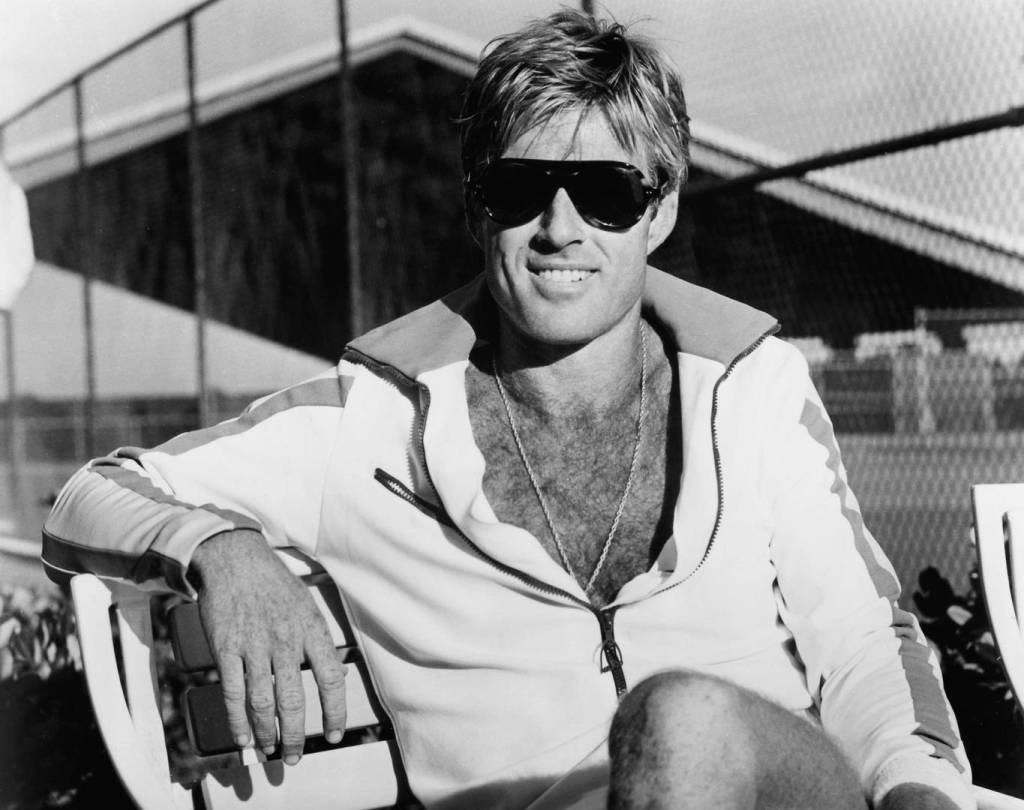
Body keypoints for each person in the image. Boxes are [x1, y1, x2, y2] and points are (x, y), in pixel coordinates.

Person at [43, 10, 974, 809]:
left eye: (607, 194)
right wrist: (219, 548)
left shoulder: (753, 385)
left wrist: (918, 789)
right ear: (476, 210)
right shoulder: (365, 421)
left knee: (680, 720)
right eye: (520, 190)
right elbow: (92, 492)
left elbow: (865, 641)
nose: (560, 228)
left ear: (660, 213)